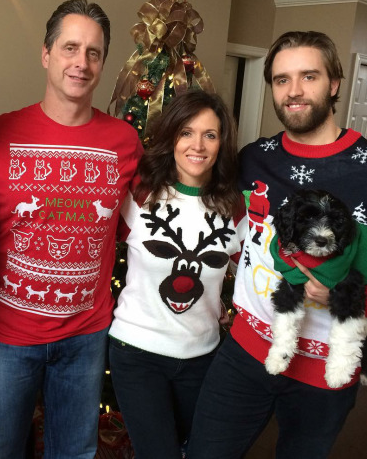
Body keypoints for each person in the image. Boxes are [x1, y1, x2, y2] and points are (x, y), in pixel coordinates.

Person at [0, 0, 143, 459]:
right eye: (69, 48)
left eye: (93, 52)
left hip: (84, 337)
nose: (80, 63)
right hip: (4, 337)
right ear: (46, 55)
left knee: (75, 452)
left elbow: (151, 223)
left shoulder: (125, 142)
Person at [188, 31, 367, 459]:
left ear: (335, 83)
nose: (294, 91)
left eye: (309, 76)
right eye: (281, 79)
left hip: (324, 371)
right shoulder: (254, 158)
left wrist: (351, 296)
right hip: (245, 350)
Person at [108, 90, 245, 459]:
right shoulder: (139, 195)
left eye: (210, 135)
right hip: (137, 353)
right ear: (171, 137)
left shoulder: (234, 208)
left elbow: (253, 275)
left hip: (202, 356)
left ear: (221, 143)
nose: (197, 145)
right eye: (186, 132)